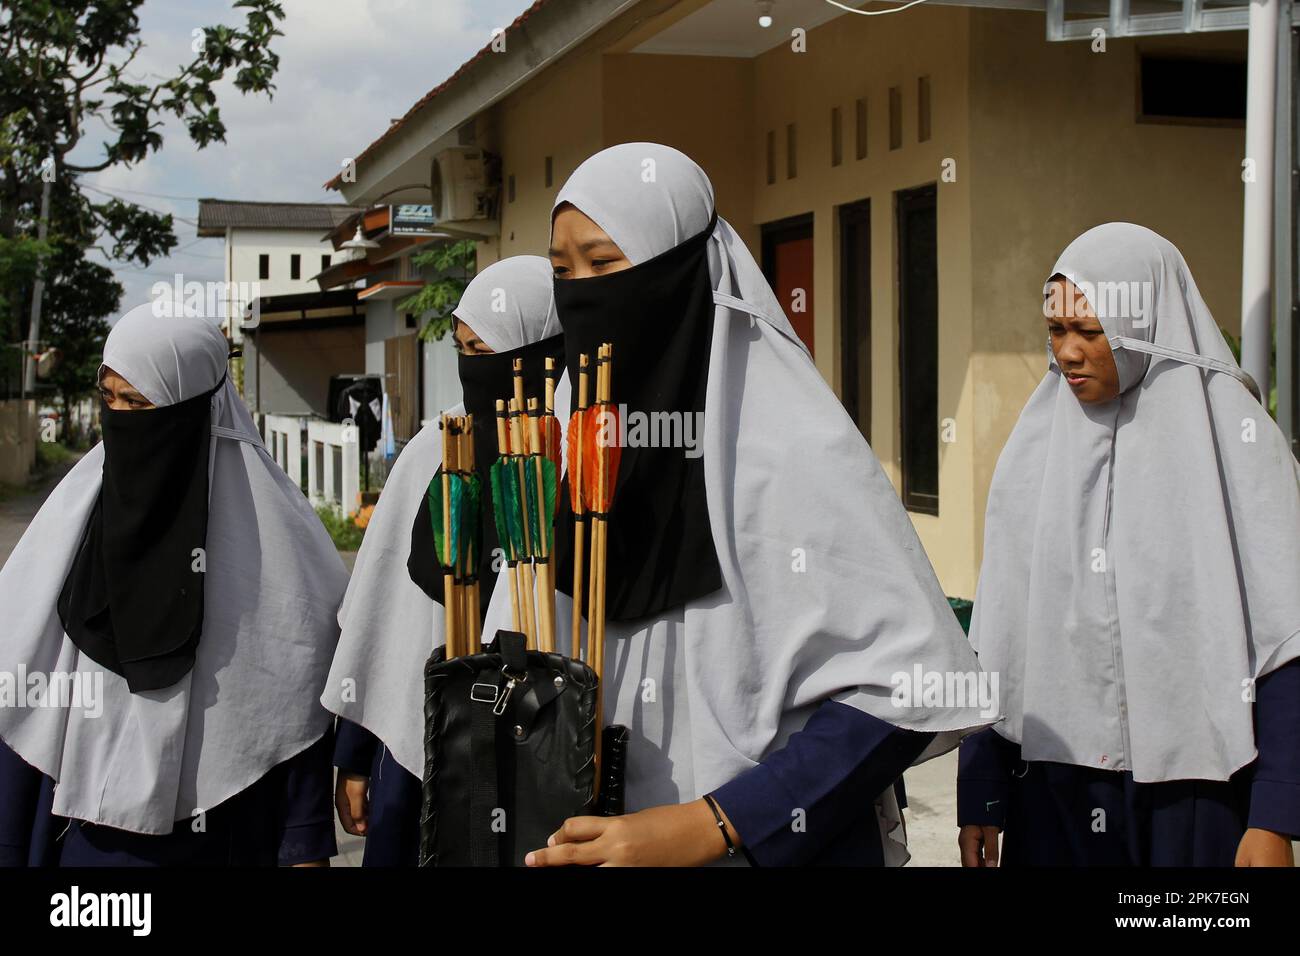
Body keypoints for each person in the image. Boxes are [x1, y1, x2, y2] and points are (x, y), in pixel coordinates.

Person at [482, 142, 996, 867]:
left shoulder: (788, 445)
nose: (584, 294)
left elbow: (906, 687)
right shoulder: (570, 443)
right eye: (562, 271)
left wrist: (717, 822)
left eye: (605, 264)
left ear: (681, 271)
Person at [958, 222, 1300, 867]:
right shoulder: (1034, 451)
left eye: (1091, 332)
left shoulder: (1237, 447)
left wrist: (1276, 814)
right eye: (1056, 331)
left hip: (1199, 796)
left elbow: (1287, 640)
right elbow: (1002, 632)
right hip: (1055, 791)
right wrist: (982, 789)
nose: (1068, 353)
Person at [0, 303, 346, 866]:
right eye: (109, 398)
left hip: (228, 836)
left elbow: (294, 701)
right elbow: (20, 686)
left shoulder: (275, 541)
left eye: (138, 402)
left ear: (193, 406)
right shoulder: (73, 518)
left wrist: (305, 842)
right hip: (83, 839)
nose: (119, 417)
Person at [323, 255, 566, 866]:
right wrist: (354, 755)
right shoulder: (434, 449)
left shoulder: (573, 466)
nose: (469, 366)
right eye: (462, 346)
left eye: (483, 348)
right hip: (417, 753)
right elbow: (382, 621)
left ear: (539, 351)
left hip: (535, 761)